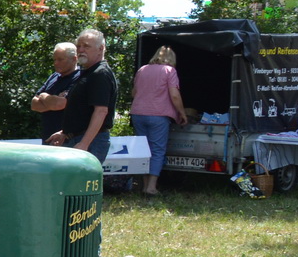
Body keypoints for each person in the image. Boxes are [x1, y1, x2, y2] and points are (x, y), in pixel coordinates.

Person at [47, 28, 116, 162]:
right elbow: (83, 111)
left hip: (90, 143)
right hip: (77, 139)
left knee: (78, 183)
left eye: (86, 46)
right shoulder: (88, 73)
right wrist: (64, 133)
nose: (81, 50)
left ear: (100, 49)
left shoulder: (100, 74)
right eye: (79, 46)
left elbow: (101, 111)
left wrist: (84, 143)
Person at [129, 45, 187, 198]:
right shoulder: (169, 71)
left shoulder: (142, 70)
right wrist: (182, 113)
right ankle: (151, 188)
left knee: (143, 150)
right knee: (157, 150)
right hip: (158, 115)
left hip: (138, 114)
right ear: (172, 59)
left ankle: (144, 184)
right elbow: (174, 95)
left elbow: (134, 92)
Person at [29, 42, 79, 143]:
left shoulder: (79, 78)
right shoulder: (53, 77)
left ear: (74, 59)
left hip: (67, 139)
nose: (56, 63)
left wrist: (43, 96)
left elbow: (59, 104)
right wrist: (51, 100)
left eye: (60, 59)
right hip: (48, 138)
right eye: (54, 60)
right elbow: (34, 104)